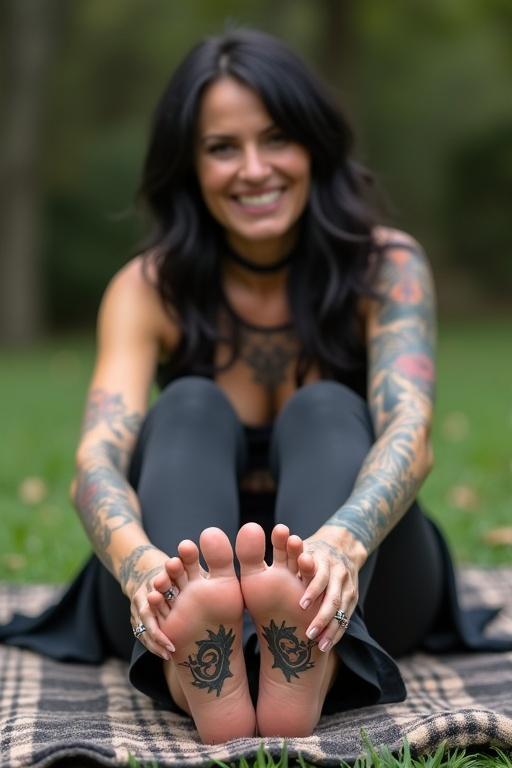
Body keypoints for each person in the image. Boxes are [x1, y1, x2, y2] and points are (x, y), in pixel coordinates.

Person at [1, 27, 510, 745]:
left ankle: (309, 649)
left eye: (276, 139)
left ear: (314, 146)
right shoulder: (150, 288)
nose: (253, 169)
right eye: (221, 147)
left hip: (358, 582)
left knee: (329, 406)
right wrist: (142, 567)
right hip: (175, 578)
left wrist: (342, 546)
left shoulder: (385, 266)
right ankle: (196, 666)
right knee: (186, 405)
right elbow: (96, 459)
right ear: (189, 164)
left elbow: (410, 433)